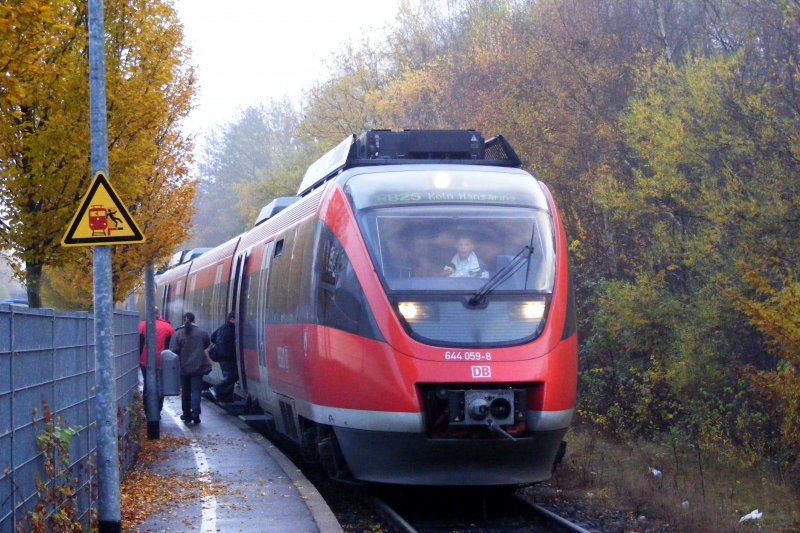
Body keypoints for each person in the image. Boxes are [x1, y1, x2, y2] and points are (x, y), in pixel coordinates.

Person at [169, 312, 211, 424]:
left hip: (183, 368)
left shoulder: (178, 334)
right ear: (194, 320)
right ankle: (196, 413)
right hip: (198, 367)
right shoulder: (202, 333)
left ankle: (186, 414)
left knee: (185, 392)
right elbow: (207, 344)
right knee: (196, 391)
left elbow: (173, 350)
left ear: (183, 320)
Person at [138, 309, 174, 415]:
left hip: (145, 360)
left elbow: (139, 344)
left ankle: (147, 409)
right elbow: (171, 347)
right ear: (159, 314)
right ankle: (158, 409)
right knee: (160, 385)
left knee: (148, 384)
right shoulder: (168, 327)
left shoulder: (142, 325)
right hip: (162, 361)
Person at [209, 312, 238, 402]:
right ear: (232, 319)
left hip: (221, 356)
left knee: (228, 376)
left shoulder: (223, 327)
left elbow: (213, 337)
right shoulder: (232, 330)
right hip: (228, 356)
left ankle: (226, 398)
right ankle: (216, 389)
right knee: (233, 376)